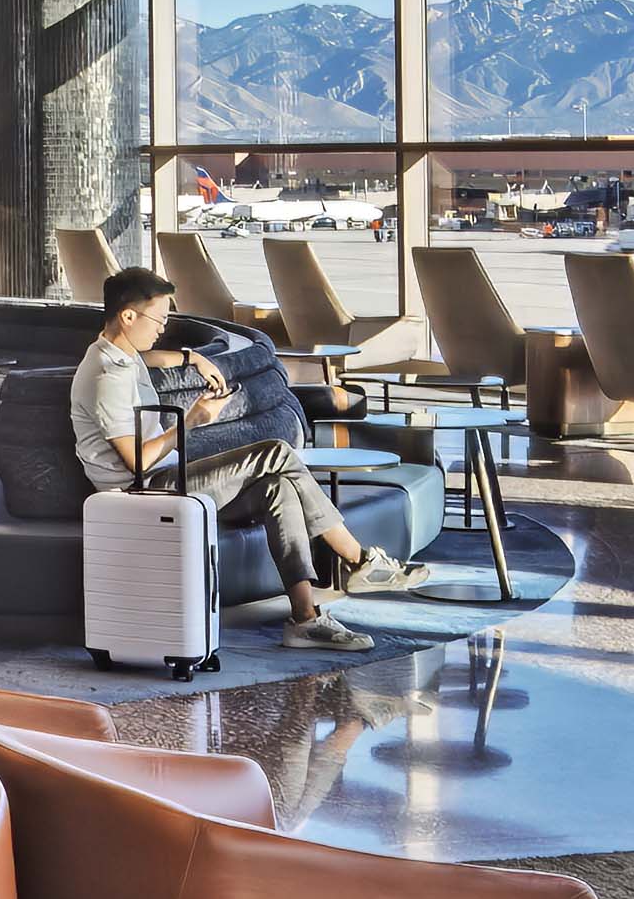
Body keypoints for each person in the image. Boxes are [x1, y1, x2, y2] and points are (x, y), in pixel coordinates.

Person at [72, 267, 397, 645]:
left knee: (278, 488)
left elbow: (149, 358)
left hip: (164, 477)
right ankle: (358, 560)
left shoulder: (116, 353)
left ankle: (305, 620)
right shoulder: (106, 377)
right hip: (140, 492)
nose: (163, 328)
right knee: (276, 452)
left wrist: (193, 357)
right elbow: (138, 464)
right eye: (159, 319)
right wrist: (192, 421)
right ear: (129, 316)